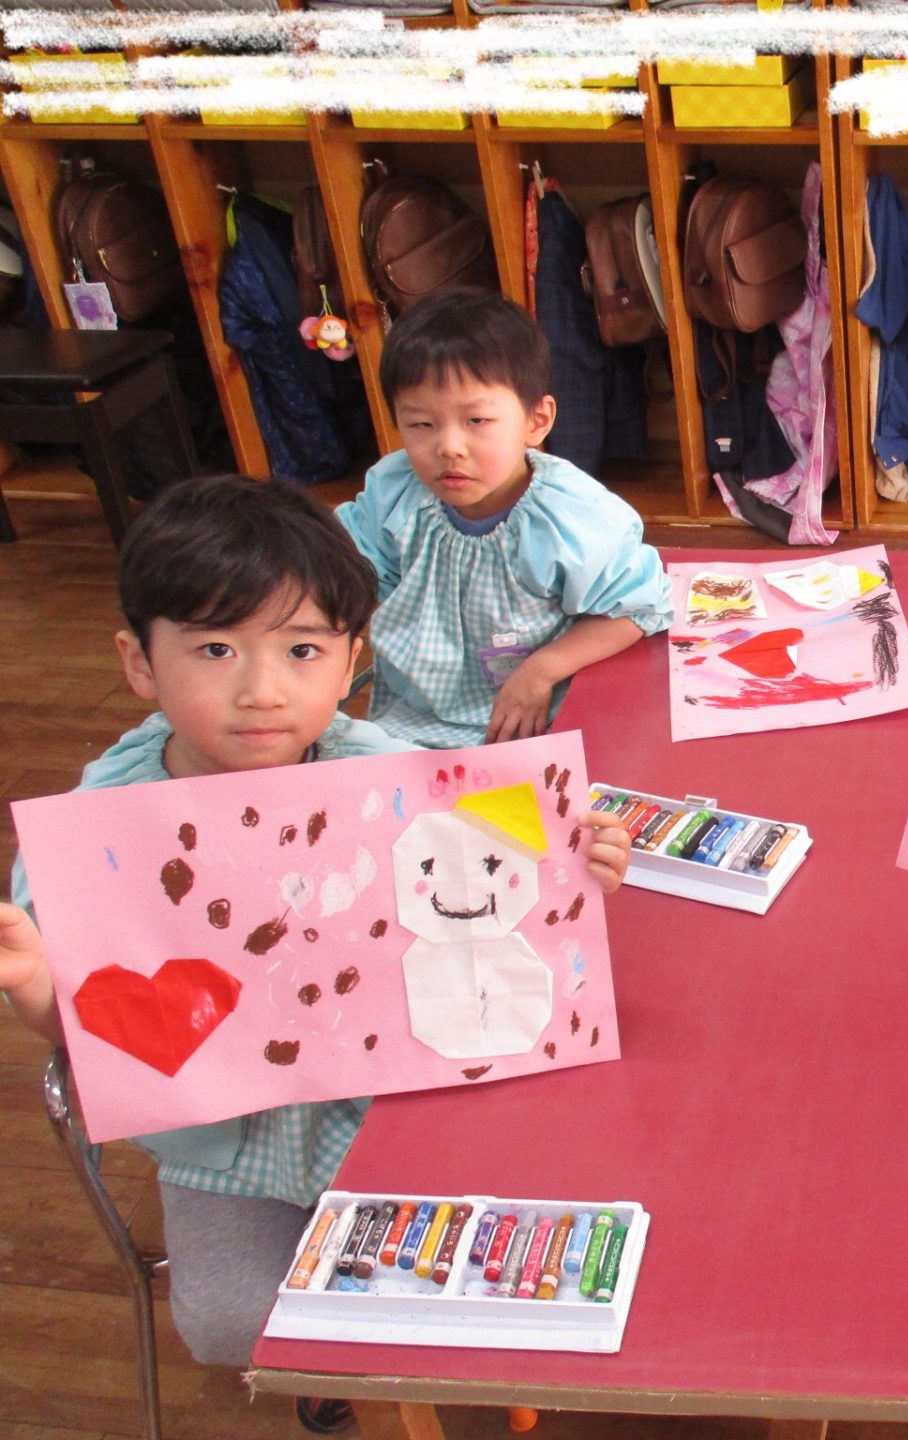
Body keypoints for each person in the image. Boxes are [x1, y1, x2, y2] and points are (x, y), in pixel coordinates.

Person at [0, 476, 635, 1434]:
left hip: (386, 1103)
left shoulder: (378, 771)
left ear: (349, 663)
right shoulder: (96, 831)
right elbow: (89, 1035)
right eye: (215, 650)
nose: (262, 690)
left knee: (479, 1275)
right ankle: (353, 1369)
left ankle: (400, 1362)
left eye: (302, 651)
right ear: (140, 663)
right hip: (221, 1141)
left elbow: (501, 896)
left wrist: (578, 863)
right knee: (229, 1319)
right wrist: (35, 985)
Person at [337, 289, 672, 749]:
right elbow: (348, 572)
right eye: (421, 424)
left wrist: (542, 670)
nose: (448, 447)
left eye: (476, 420)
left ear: (537, 420)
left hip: (536, 717)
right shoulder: (395, 492)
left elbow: (637, 609)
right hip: (413, 715)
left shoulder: (570, 517)